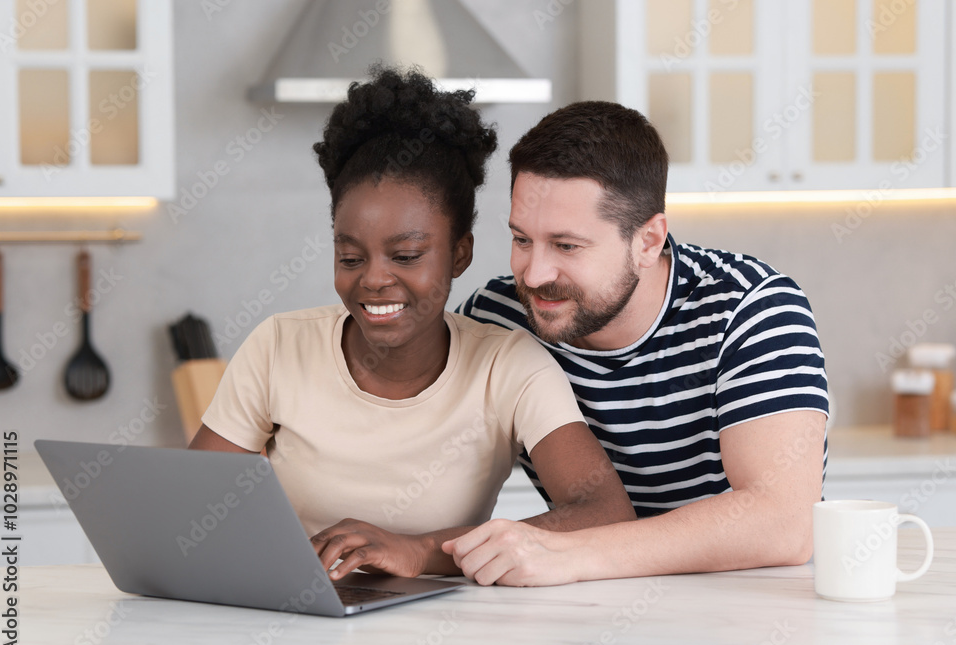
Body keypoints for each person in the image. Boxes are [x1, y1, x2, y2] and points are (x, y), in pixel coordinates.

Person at [188, 69, 634, 581]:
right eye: (350, 257)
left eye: (406, 255)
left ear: (459, 253)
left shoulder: (509, 366)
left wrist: (419, 552)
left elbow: (602, 513)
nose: (374, 280)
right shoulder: (279, 345)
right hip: (293, 617)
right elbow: (195, 507)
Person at [443, 101, 829, 586]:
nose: (535, 274)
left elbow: (785, 524)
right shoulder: (496, 317)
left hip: (746, 614)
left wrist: (569, 553)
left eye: (566, 246)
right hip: (593, 608)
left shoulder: (750, 309)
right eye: (522, 240)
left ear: (648, 241)